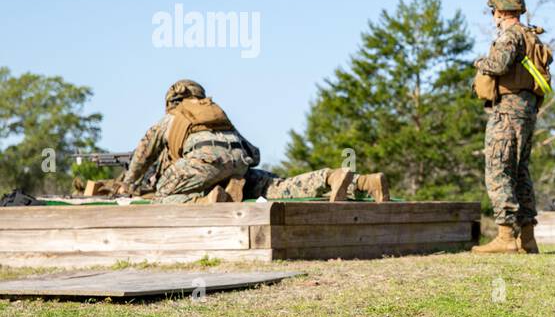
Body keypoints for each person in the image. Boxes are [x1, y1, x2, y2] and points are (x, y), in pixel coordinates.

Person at [119, 80, 384, 203]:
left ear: (170, 103)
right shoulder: (217, 114)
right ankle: (353, 180)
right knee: (279, 188)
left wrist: (127, 185)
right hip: (238, 165)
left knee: (162, 196)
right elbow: (253, 154)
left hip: (203, 166)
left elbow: (142, 155)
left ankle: (207, 202)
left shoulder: (170, 119)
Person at [472, 0, 542, 254]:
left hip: (507, 111)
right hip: (526, 110)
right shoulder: (530, 35)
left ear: (500, 11)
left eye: (493, 12)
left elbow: (500, 65)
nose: (493, 17)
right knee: (520, 172)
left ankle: (505, 237)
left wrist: (480, 62)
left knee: (498, 168)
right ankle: (527, 238)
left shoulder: (511, 35)